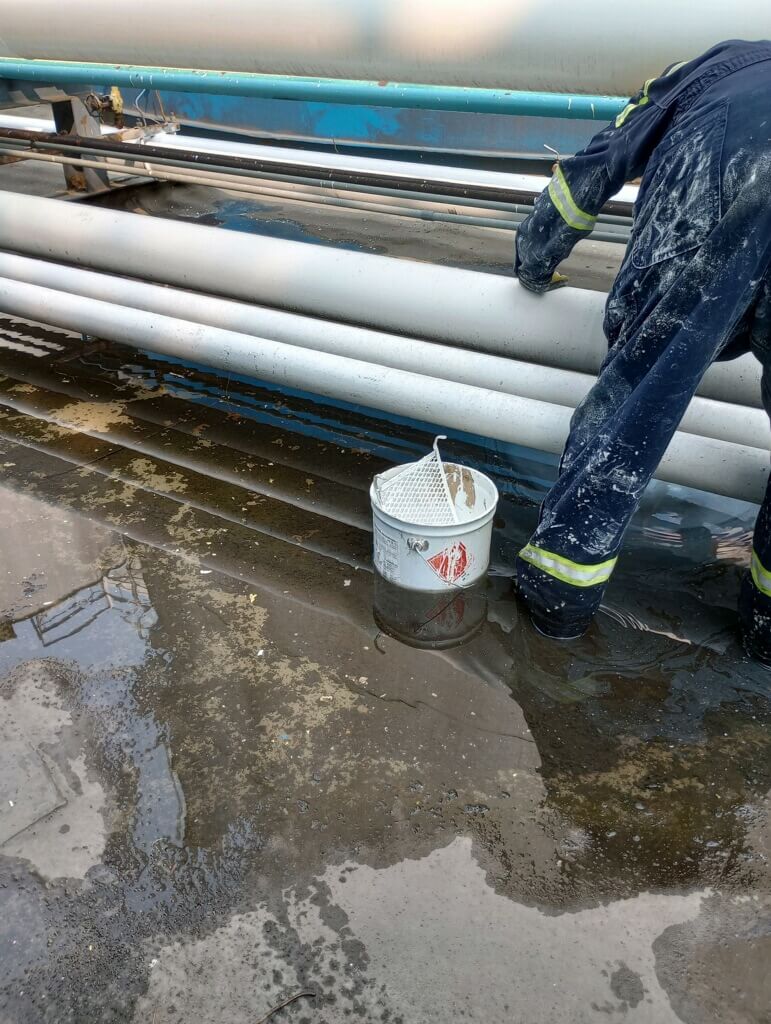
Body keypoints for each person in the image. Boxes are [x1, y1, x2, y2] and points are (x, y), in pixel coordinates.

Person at [513, 39, 771, 661]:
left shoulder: (716, 67)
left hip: (727, 190)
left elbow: (594, 168)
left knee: (630, 408)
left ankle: (557, 607)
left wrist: (534, 258)